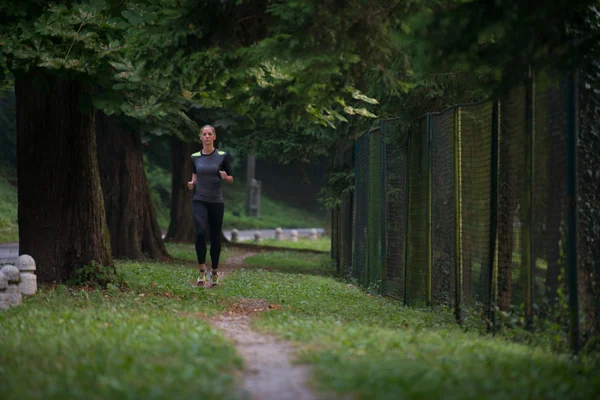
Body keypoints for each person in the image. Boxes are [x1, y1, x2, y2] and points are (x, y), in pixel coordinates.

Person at [187, 125, 233, 287]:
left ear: (214, 137)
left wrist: (225, 176)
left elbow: (231, 178)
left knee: (214, 237)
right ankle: (201, 271)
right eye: (204, 134)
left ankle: (214, 271)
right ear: (200, 137)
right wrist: (192, 183)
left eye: (209, 134)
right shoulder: (194, 157)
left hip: (216, 201)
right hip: (199, 199)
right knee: (200, 232)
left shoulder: (222, 156)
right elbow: (195, 176)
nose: (206, 136)